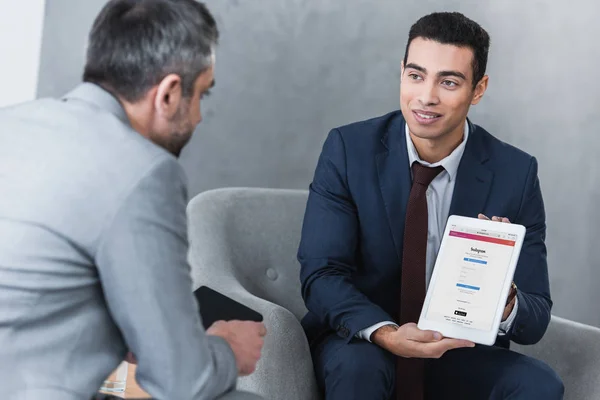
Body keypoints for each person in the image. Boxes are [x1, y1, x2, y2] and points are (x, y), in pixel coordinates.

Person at [0, 1, 265, 399]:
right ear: (169, 94)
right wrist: (229, 347)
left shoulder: (12, 123)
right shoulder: (145, 171)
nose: (198, 119)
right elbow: (182, 382)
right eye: (201, 97)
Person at [298, 11, 564, 400]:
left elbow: (535, 317)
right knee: (360, 370)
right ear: (401, 72)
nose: (426, 96)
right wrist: (387, 334)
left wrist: (505, 299)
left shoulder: (514, 173)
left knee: (540, 385)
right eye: (416, 75)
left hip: (454, 349)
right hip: (364, 340)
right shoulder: (348, 150)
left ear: (478, 89)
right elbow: (321, 275)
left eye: (449, 81)